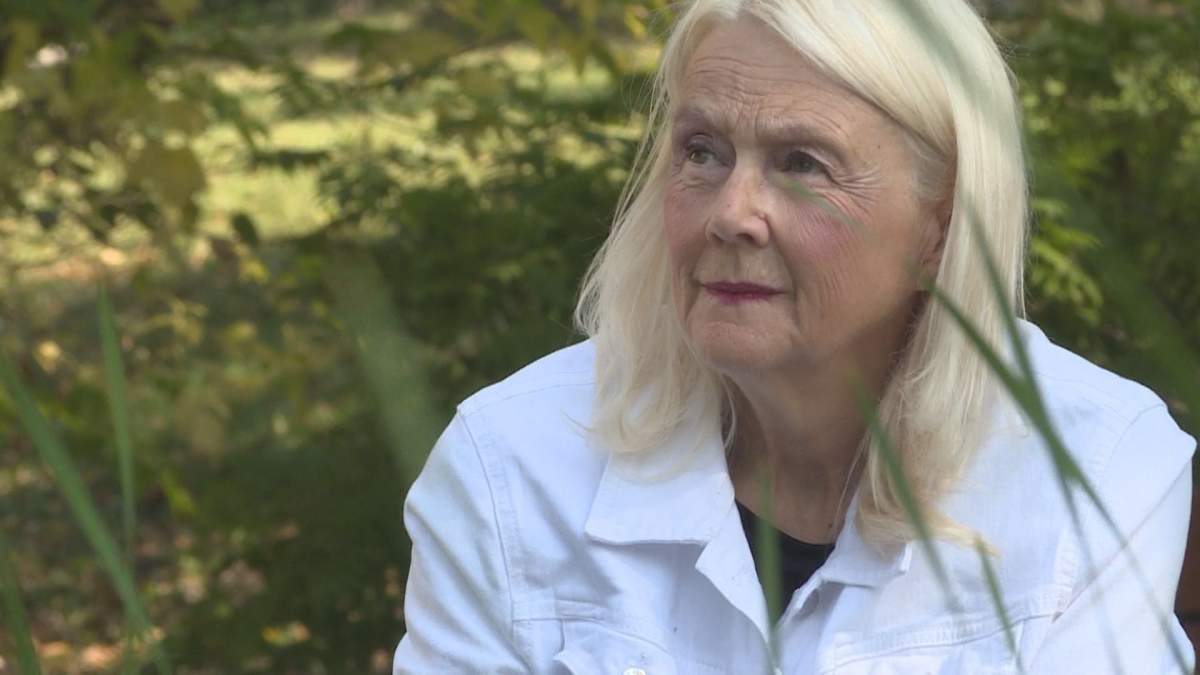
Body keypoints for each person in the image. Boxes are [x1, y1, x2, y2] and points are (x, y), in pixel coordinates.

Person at [392, 0, 1196, 672]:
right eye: (702, 152)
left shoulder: (1095, 472)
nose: (732, 212)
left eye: (803, 163)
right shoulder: (513, 469)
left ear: (940, 222)